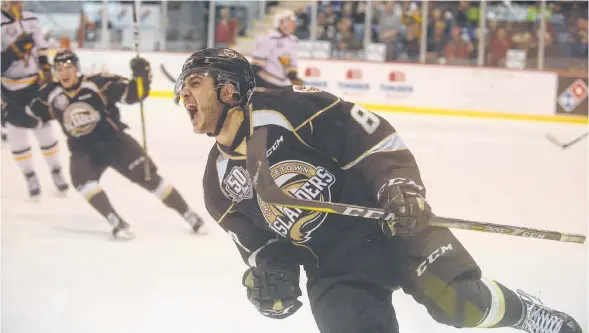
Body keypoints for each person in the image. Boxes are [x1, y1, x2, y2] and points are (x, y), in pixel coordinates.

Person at [174, 47, 582, 333]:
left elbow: (373, 142)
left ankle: (525, 312)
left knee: (459, 304)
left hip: (393, 226)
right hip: (334, 266)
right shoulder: (218, 187)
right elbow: (261, 247)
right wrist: (271, 279)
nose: (183, 96)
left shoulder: (291, 108)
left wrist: (399, 187)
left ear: (228, 87)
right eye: (182, 89)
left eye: (194, 83)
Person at [28, 49, 205, 239]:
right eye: (59, 68)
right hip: (83, 151)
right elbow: (32, 115)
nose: (64, 72)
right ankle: (114, 220)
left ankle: (188, 214)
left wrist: (141, 75)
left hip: (114, 143)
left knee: (149, 178)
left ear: (77, 68)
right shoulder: (49, 93)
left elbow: (134, 94)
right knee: (81, 180)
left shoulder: (97, 83)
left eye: (68, 67)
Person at [1, 0, 68, 197]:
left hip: (33, 86)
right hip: (9, 90)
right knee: (18, 138)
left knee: (45, 130)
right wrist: (13, 53)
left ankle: (56, 171)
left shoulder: (31, 19)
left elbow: (40, 51)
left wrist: (46, 72)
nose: (16, 3)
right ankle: (29, 175)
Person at [251, 9, 303, 91]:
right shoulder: (267, 37)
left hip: (283, 85)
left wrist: (294, 78)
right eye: (291, 21)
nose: (294, 24)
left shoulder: (294, 41)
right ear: (281, 22)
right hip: (266, 84)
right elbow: (256, 66)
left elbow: (291, 66)